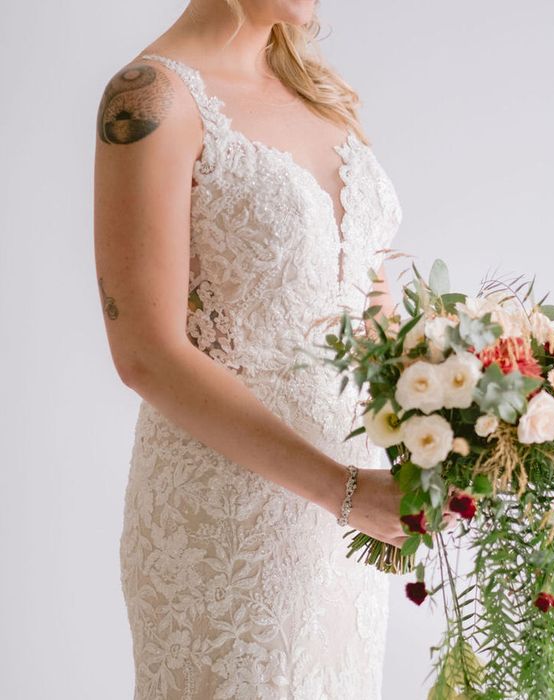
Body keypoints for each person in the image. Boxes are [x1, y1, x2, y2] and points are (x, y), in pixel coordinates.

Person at [93, 1, 413, 697]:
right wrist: (344, 491)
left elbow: (366, 297)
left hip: (349, 528)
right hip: (227, 523)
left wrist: (467, 422)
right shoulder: (152, 96)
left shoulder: (316, 92)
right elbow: (144, 352)